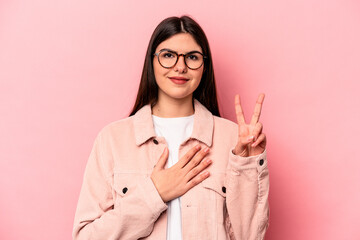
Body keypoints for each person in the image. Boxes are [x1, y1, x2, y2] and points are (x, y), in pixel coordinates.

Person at [72, 15, 269, 240]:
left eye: (192, 57)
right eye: (168, 55)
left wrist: (248, 166)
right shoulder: (112, 139)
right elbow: (85, 237)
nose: (180, 67)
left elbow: (249, 236)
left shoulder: (232, 138)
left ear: (204, 66)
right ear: (152, 61)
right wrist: (154, 194)